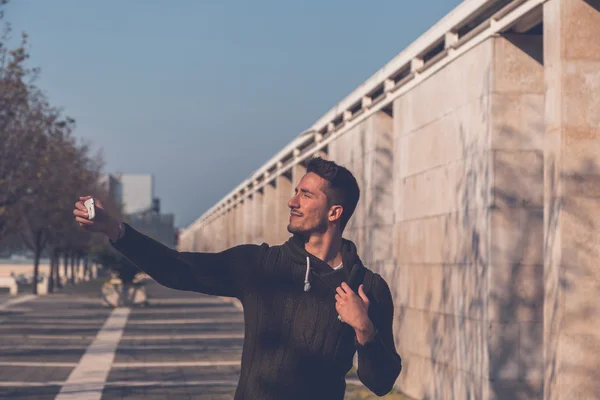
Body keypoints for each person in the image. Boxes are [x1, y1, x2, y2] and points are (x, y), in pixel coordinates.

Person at [73, 157, 401, 399]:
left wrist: (364, 330)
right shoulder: (260, 265)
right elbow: (177, 269)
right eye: (296, 191)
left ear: (334, 212)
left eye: (306, 195)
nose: (292, 201)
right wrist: (114, 230)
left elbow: (381, 382)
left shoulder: (367, 288)